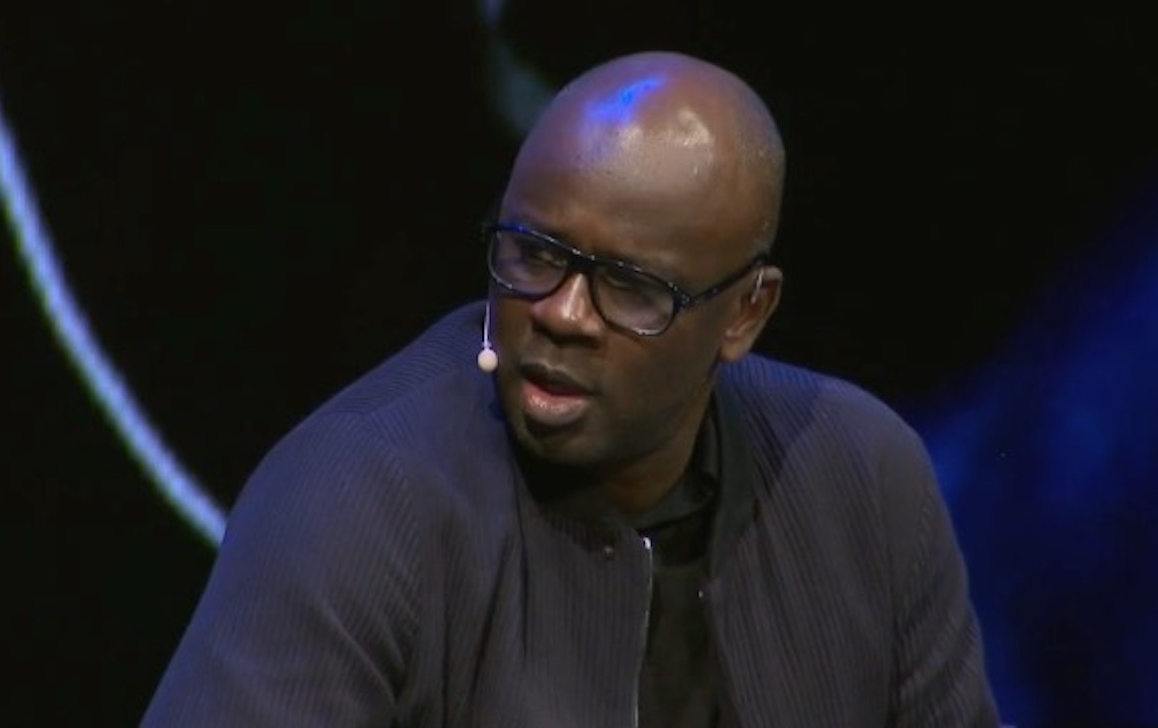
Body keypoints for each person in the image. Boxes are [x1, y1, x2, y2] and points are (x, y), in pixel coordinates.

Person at [141, 50, 1000, 727]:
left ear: (745, 313)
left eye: (629, 286)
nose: (560, 314)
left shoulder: (858, 477)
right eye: (534, 253)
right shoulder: (353, 502)